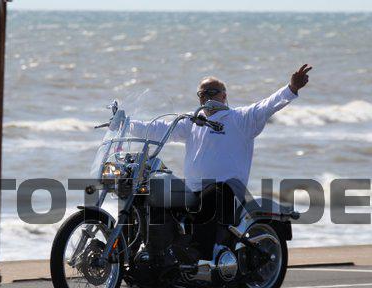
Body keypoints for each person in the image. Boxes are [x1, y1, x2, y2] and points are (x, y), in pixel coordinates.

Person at [131, 64, 312, 261]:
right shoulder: (193, 121)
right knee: (155, 194)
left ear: (224, 96)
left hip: (228, 190)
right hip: (193, 190)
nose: (207, 97)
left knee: (214, 193)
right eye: (202, 93)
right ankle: (153, 254)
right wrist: (126, 124)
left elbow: (268, 105)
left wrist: (292, 88)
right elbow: (159, 129)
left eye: (212, 92)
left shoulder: (240, 118)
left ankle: (199, 253)